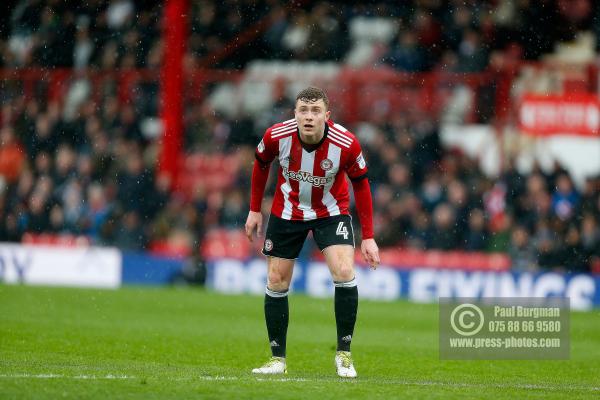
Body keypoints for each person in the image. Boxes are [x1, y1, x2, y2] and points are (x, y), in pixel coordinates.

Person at [245, 87, 380, 378]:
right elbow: (260, 164)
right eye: (303, 111)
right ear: (294, 114)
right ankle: (277, 359)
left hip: (331, 212)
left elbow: (361, 184)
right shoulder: (276, 136)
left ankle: (344, 354)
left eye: (315, 111)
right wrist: (255, 209)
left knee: (344, 271)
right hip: (287, 211)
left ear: (326, 116)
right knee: (276, 279)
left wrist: (368, 236)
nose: (309, 117)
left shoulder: (346, 143)